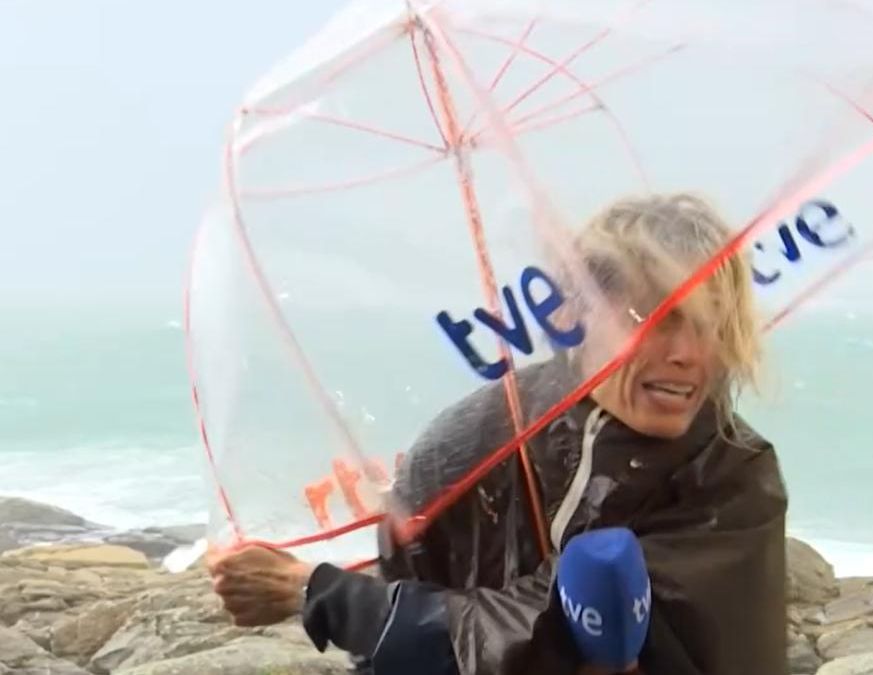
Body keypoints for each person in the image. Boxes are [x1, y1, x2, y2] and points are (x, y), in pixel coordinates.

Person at [208, 192, 790, 674]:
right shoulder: (472, 440)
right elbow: (405, 637)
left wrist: (317, 594)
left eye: (714, 326)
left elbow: (539, 631)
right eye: (658, 320)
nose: (690, 354)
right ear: (576, 312)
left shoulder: (731, 476)